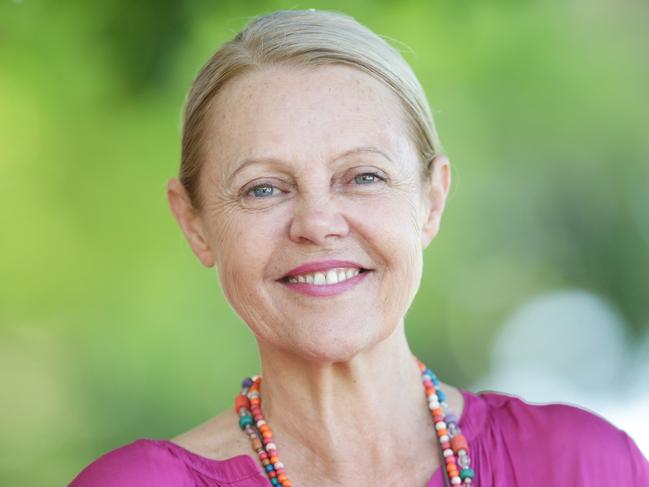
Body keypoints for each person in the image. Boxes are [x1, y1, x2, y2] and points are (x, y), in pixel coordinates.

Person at [69, 9, 649, 487]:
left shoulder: (584, 467)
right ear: (195, 224)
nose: (317, 224)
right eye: (264, 188)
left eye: (363, 177)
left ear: (432, 199)